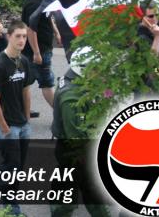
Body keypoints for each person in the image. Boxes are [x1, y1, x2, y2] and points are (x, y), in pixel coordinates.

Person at [50, 46, 110, 217]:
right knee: (67, 197)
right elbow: (75, 136)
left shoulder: (77, 81)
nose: (99, 73)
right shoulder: (72, 97)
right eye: (96, 69)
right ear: (84, 69)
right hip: (74, 152)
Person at [0, 20, 34, 172]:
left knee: (18, 168)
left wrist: (27, 119)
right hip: (8, 126)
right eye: (18, 36)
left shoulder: (24, 62)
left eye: (24, 37)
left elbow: (26, 92)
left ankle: (10, 196)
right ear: (9, 37)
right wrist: (5, 128)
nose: (22, 40)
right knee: (10, 167)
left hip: (22, 124)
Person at [20, 0, 56, 109]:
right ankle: (61, 115)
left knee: (25, 81)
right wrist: (36, 53)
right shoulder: (33, 4)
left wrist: (57, 33)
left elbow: (48, 17)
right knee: (46, 83)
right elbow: (30, 30)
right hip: (37, 50)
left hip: (44, 48)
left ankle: (23, 110)